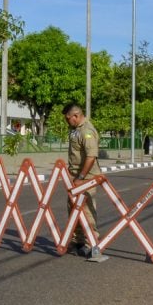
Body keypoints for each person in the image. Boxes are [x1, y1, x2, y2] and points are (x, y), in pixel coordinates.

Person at [63, 103, 101, 257]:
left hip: (86, 178)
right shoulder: (75, 130)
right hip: (75, 176)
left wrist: (81, 177)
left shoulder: (87, 131)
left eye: (68, 118)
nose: (67, 122)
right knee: (73, 209)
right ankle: (77, 240)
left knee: (87, 211)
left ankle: (91, 243)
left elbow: (91, 156)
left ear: (76, 116)